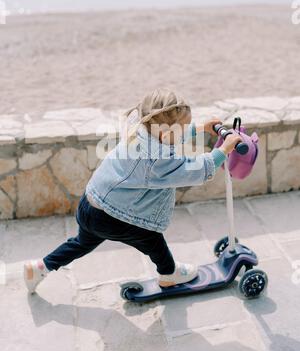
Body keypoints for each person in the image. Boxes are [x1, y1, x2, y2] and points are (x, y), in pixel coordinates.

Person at [24, 88, 242, 293]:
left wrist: (200, 128)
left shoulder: (142, 128)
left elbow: (168, 136)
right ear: (167, 133)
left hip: (92, 203)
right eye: (185, 128)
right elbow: (193, 170)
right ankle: (169, 274)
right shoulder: (157, 161)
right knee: (152, 239)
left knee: (81, 243)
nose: (185, 131)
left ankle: (41, 267)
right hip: (113, 216)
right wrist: (223, 150)